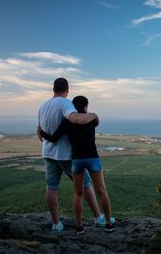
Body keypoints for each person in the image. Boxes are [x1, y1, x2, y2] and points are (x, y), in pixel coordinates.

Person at [37, 77, 114, 233]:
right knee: (85, 185)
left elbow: (40, 133)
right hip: (65, 155)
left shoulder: (43, 106)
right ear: (67, 89)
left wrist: (44, 139)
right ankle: (99, 218)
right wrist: (93, 115)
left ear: (53, 89)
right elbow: (76, 119)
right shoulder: (66, 103)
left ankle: (56, 224)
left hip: (48, 152)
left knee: (51, 188)